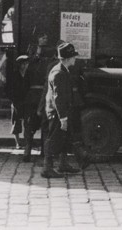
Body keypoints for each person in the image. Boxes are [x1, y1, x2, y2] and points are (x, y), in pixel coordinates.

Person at [41, 42, 84, 178]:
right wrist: (63, 118)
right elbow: (58, 98)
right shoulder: (59, 73)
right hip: (57, 113)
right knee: (53, 139)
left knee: (64, 139)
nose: (75, 59)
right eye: (73, 57)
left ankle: (63, 164)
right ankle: (47, 168)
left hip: (62, 111)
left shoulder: (63, 70)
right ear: (66, 58)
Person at [23, 33, 54, 162]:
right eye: (42, 38)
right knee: (30, 124)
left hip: (44, 95)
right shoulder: (31, 61)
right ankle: (28, 149)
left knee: (45, 125)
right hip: (34, 96)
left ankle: (43, 151)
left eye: (46, 38)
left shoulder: (50, 61)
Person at [8, 55, 31, 150]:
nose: (25, 66)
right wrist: (13, 100)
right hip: (17, 101)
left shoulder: (29, 75)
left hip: (27, 101)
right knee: (16, 122)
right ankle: (17, 142)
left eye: (26, 64)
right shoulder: (15, 75)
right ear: (19, 65)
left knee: (28, 122)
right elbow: (10, 89)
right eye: (23, 64)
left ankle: (27, 142)